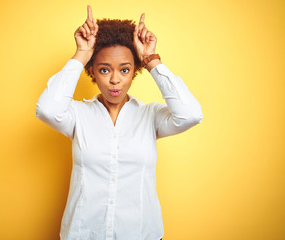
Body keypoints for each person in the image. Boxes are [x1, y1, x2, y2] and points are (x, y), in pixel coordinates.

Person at [35, 5, 204, 240]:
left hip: (141, 234)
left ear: (135, 70)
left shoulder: (151, 116)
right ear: (92, 71)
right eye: (104, 70)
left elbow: (191, 114)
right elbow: (46, 109)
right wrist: (82, 54)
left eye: (124, 70)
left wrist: (151, 60)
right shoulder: (77, 115)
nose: (115, 80)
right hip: (84, 234)